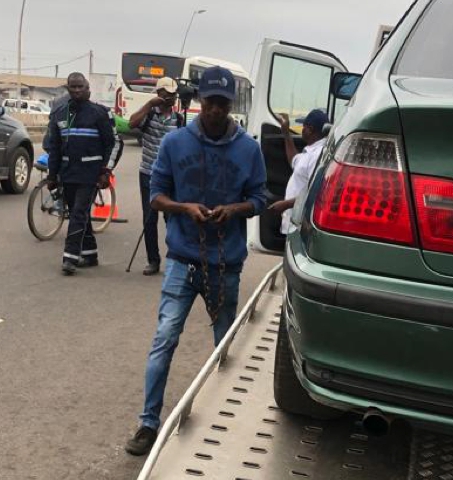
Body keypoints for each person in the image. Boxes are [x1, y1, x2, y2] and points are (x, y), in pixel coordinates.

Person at [126, 66, 267, 456]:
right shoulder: (175, 143)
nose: (215, 111)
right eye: (209, 103)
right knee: (164, 338)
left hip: (225, 265)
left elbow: (259, 200)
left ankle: (225, 420)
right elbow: (156, 195)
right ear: (199, 103)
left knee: (225, 347)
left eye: (222, 104)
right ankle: (148, 422)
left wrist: (234, 209)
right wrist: (183, 207)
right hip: (182, 260)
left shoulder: (249, 149)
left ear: (230, 105)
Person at [44, 73, 116, 275]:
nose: (76, 91)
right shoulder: (59, 114)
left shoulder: (99, 113)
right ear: (67, 89)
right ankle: (90, 254)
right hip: (68, 174)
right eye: (72, 87)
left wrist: (105, 171)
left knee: (77, 213)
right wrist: (52, 176)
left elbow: (113, 143)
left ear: (87, 88)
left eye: (80, 87)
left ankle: (70, 257)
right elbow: (55, 148)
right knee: (80, 213)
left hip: (90, 175)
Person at [127, 77, 185, 276]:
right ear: (158, 95)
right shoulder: (149, 115)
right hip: (148, 174)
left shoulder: (178, 119)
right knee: (149, 219)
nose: (170, 99)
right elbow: (131, 123)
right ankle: (153, 260)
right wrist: (149, 104)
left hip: (170, 178)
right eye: (165, 95)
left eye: (173, 95)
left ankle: (174, 258)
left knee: (172, 219)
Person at [268, 108, 329, 234]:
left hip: (300, 226)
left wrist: (285, 204)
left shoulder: (318, 154)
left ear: (310, 129)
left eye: (304, 126)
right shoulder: (311, 151)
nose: (302, 130)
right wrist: (286, 133)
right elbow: (294, 160)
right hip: (294, 222)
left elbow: (315, 193)